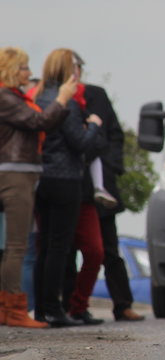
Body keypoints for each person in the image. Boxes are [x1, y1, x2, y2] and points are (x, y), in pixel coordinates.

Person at [32, 48, 107, 327]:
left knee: (43, 246)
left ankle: (41, 309)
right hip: (65, 179)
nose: (78, 75)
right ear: (69, 70)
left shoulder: (40, 96)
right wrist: (95, 126)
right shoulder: (68, 103)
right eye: (76, 69)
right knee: (58, 248)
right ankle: (55, 309)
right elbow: (81, 144)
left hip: (41, 178)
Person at [0, 47, 73, 328]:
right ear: (10, 70)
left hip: (18, 172)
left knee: (12, 246)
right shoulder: (6, 97)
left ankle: (8, 307)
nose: (29, 74)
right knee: (17, 245)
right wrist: (62, 99)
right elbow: (40, 121)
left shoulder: (11, 97)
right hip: (16, 174)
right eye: (24, 68)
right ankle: (15, 308)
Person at [83, 83, 144, 321]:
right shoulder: (58, 96)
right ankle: (71, 305)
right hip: (72, 186)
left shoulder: (96, 95)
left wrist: (112, 166)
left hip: (102, 189)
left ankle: (122, 305)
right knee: (68, 251)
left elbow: (116, 134)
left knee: (109, 250)